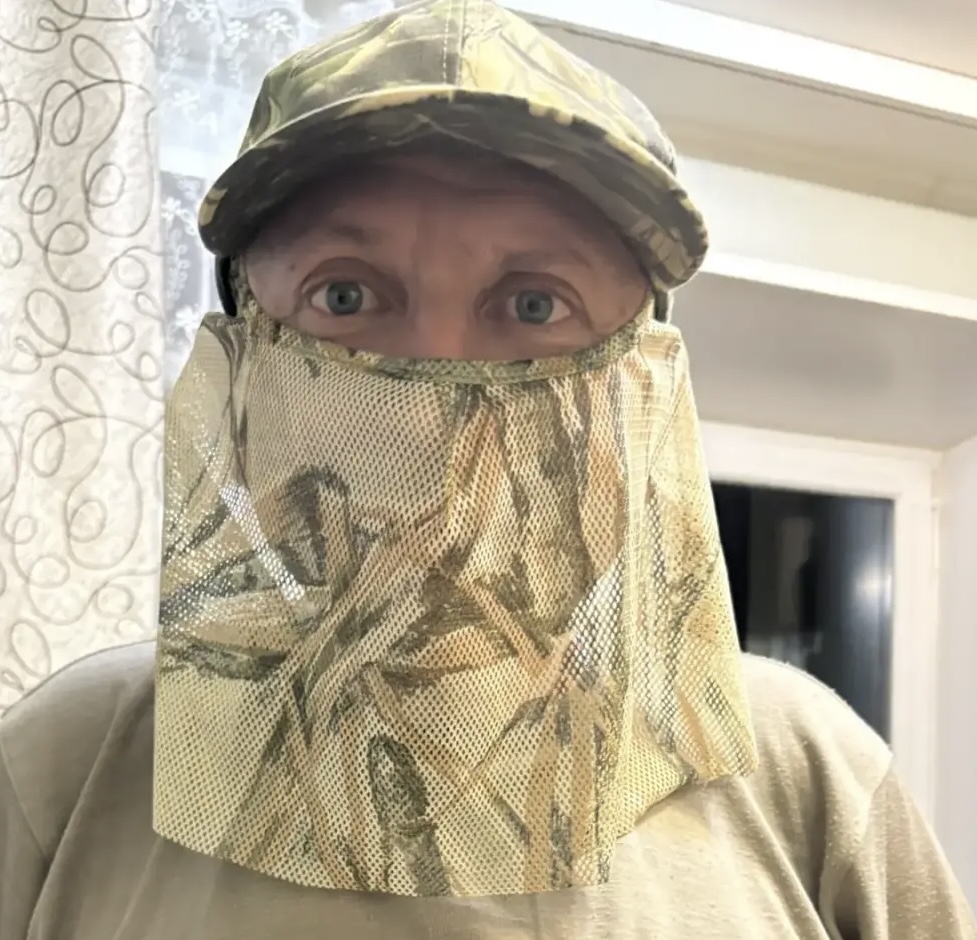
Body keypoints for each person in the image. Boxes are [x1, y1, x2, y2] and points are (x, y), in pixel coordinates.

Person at [1, 1, 973, 937]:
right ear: (245, 358)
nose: (433, 389)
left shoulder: (807, 776)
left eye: (534, 305)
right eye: (344, 296)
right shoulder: (67, 768)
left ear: (635, 378)